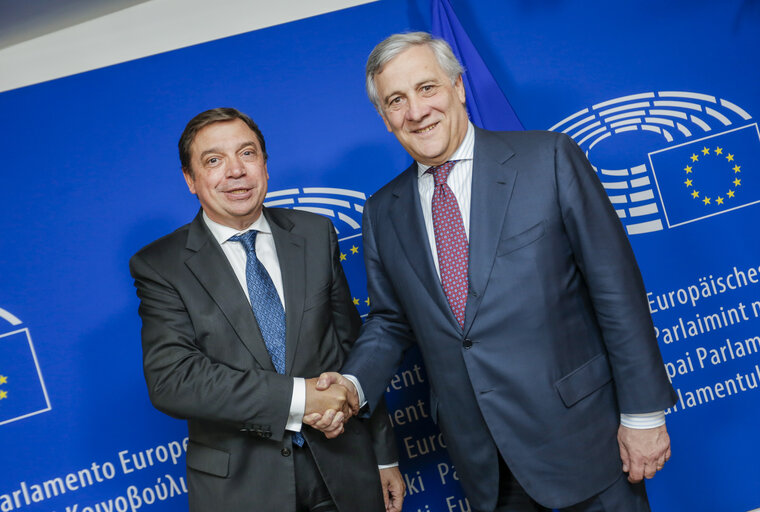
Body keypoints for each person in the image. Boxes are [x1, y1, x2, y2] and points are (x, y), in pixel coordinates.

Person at [309, 33, 677, 512]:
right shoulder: (382, 211)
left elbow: (617, 291)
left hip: (586, 442)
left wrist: (644, 415)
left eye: (427, 88)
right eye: (396, 100)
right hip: (484, 463)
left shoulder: (548, 159)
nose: (416, 111)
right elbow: (390, 322)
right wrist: (351, 386)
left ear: (458, 87)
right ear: (385, 117)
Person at [129, 108, 404, 512]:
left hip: (346, 468)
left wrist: (384, 455)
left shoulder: (313, 233)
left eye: (248, 153)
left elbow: (353, 351)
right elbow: (174, 379)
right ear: (191, 180)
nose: (236, 171)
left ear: (265, 166)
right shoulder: (160, 265)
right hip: (243, 488)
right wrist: (301, 398)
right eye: (214, 160)